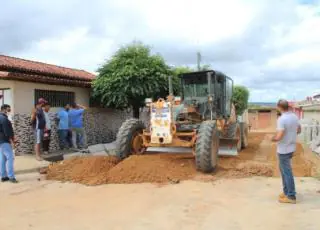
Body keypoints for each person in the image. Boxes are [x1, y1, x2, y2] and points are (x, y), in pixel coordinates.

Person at [271, 99, 301, 204]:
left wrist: (273, 139)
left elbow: (280, 135)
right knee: (284, 171)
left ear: (279, 107)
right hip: (291, 147)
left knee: (287, 172)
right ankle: (286, 192)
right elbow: (299, 130)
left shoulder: (282, 119)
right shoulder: (294, 117)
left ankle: (291, 196)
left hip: (283, 149)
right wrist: (291, 136)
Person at [0, 104, 18, 183]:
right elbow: (7, 132)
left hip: (1, 141)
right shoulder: (4, 119)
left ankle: (4, 176)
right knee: (10, 158)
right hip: (5, 141)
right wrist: (12, 141)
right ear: (3, 109)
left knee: (3, 159)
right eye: (8, 110)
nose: (9, 111)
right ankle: (11, 177)